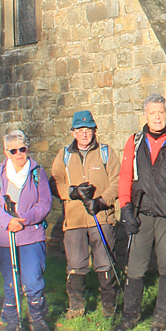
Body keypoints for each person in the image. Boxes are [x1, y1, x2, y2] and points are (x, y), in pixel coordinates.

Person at [116, 94, 166, 331]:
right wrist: (125, 208)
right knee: (135, 267)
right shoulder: (135, 141)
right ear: (145, 115)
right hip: (141, 215)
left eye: (161, 112)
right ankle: (130, 314)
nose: (157, 117)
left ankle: (161, 315)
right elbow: (125, 176)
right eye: (153, 113)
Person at [50, 109, 121, 318]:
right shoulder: (64, 155)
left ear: (95, 130)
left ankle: (109, 306)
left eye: (88, 129)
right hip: (74, 220)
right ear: (73, 132)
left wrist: (102, 201)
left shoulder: (106, 153)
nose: (84, 133)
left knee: (105, 263)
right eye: (80, 129)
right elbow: (54, 183)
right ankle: (76, 307)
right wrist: (72, 192)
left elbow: (118, 181)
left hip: (101, 217)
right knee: (76, 265)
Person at [0, 129, 54, 331]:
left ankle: (38, 322)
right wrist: (8, 222)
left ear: (27, 149)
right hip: (6, 238)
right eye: (13, 150)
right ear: (6, 152)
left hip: (31, 236)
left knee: (33, 282)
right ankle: (12, 326)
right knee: (11, 284)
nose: (18, 154)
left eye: (22, 149)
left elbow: (45, 202)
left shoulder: (37, 173)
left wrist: (25, 219)